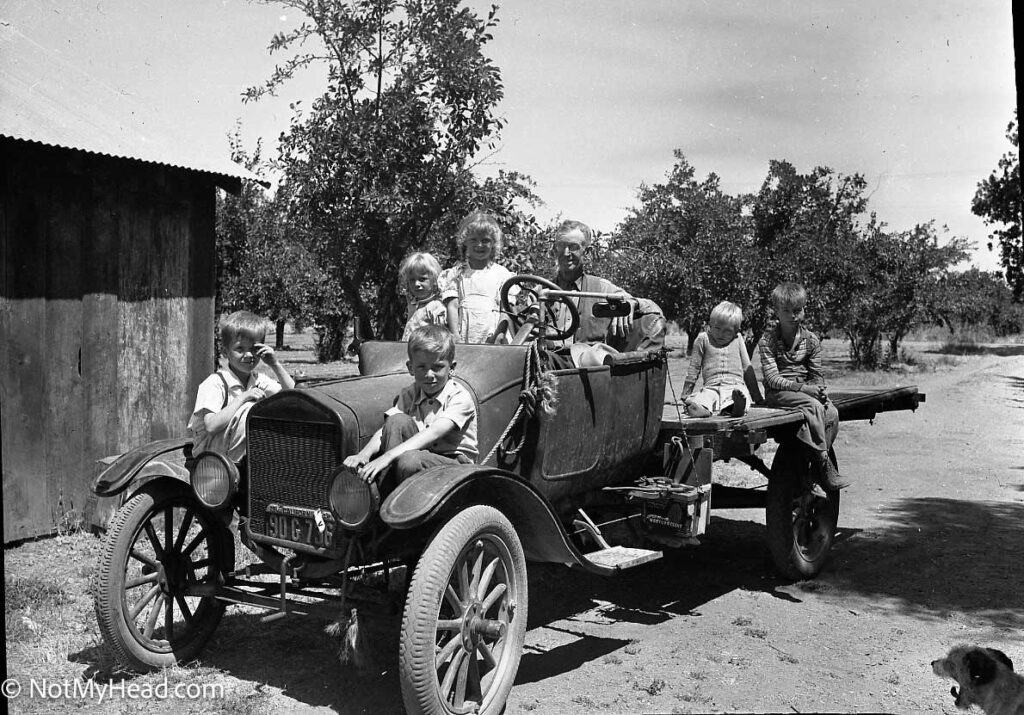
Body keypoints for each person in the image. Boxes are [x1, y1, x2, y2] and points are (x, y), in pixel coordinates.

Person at [343, 324, 478, 487]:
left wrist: (386, 458)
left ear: (452, 368)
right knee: (396, 421)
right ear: (410, 368)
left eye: (437, 367)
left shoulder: (459, 397)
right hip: (419, 458)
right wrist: (364, 455)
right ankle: (384, 492)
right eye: (422, 367)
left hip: (456, 467)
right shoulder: (409, 393)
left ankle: (395, 499)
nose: (429, 375)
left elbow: (434, 432)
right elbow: (385, 430)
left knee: (410, 459)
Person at [758, 282, 849, 491]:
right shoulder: (768, 340)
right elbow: (772, 378)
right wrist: (804, 390)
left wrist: (820, 391)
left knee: (832, 413)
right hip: (779, 393)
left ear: (804, 309)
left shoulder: (811, 340)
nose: (792, 316)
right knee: (813, 407)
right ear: (777, 312)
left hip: (804, 391)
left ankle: (813, 468)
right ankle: (824, 464)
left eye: (797, 310)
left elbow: (816, 375)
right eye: (786, 311)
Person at [188, 310, 295, 462]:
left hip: (244, 451)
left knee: (283, 409)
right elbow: (211, 426)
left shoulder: (258, 380)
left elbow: (294, 396)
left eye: (254, 349)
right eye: (240, 349)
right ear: (225, 352)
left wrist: (275, 364)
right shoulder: (215, 383)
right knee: (249, 409)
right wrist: (243, 398)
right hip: (212, 458)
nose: (249, 355)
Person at [438, 210, 519, 344]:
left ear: (494, 243)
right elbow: (452, 306)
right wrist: (455, 336)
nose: (479, 245)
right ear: (465, 242)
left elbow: (506, 310)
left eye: (485, 240)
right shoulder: (457, 274)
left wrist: (499, 335)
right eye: (474, 240)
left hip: (494, 334)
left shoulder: (502, 274)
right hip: (465, 335)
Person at [550, 219, 634, 344]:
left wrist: (628, 306)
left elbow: (636, 302)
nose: (566, 253)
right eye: (561, 246)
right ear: (555, 250)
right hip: (547, 359)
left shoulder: (601, 288)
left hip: (586, 360)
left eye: (573, 247)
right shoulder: (541, 292)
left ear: (587, 252)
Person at [681, 301, 763, 418]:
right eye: (717, 328)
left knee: (740, 395)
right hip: (711, 386)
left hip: (735, 385)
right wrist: (686, 393)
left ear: (735, 332)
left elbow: (747, 369)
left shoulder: (738, 340)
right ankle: (702, 410)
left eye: (727, 331)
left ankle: (736, 408)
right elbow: (694, 368)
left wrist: (757, 397)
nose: (721, 334)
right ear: (710, 324)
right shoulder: (703, 339)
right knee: (704, 396)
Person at [399, 252, 459, 341]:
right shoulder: (415, 305)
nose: (416, 284)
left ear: (434, 279)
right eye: (412, 280)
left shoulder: (436, 307)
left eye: (422, 279)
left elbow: (441, 339)